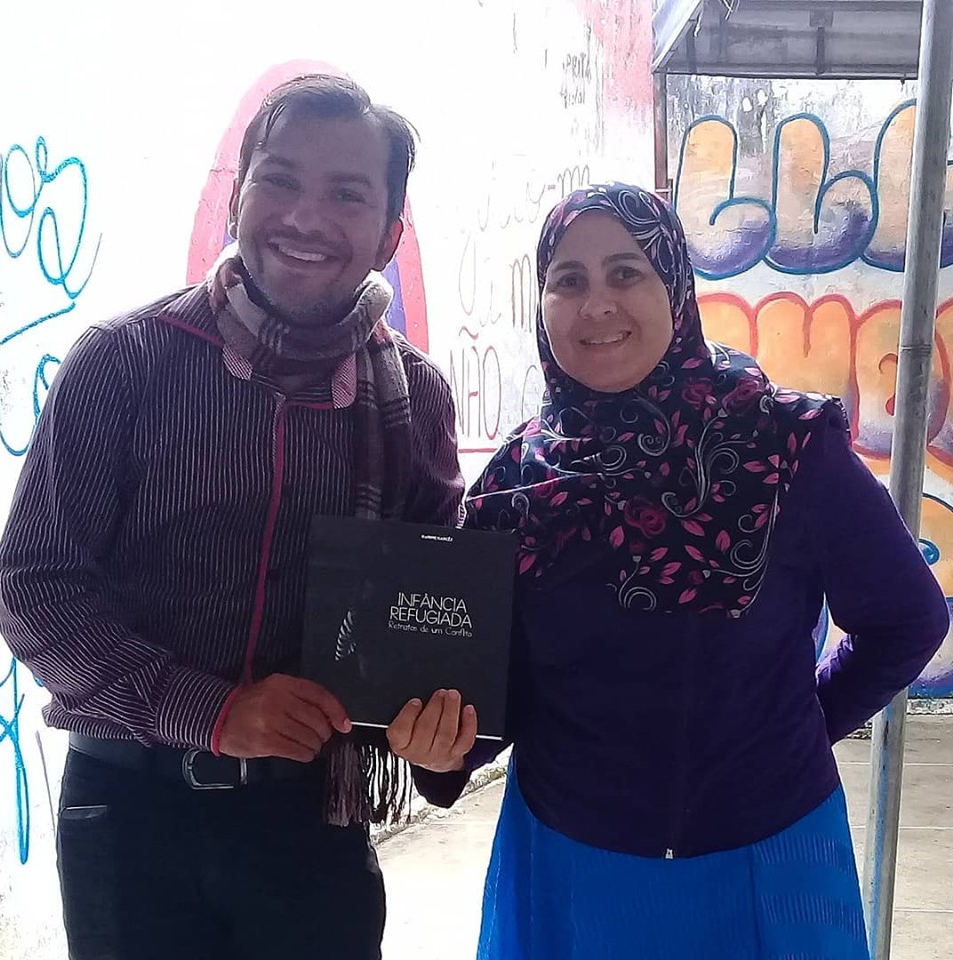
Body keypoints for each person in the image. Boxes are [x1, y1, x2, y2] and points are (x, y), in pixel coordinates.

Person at [395, 183, 950, 959]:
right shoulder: (517, 482)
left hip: (768, 861)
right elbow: (500, 691)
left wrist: (802, 728)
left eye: (626, 272)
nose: (597, 304)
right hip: (570, 867)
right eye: (568, 279)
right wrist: (446, 752)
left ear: (676, 287)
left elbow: (907, 618)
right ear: (543, 303)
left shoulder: (782, 446)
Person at [0, 74, 471, 960]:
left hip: (311, 822)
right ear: (237, 194)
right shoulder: (125, 363)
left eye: (346, 194)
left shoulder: (415, 399)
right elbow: (34, 586)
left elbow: (434, 610)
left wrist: (442, 737)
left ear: (388, 235)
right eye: (279, 179)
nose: (304, 217)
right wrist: (209, 711)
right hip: (129, 818)